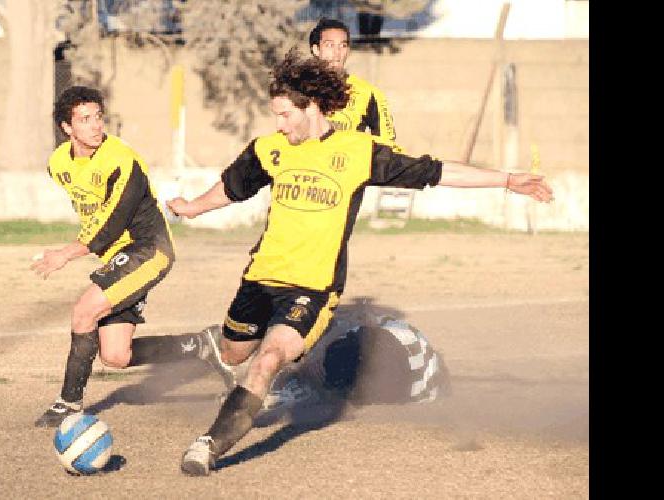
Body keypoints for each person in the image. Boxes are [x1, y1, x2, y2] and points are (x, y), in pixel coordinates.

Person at [166, 49, 553, 476]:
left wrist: (506, 179)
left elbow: (436, 171)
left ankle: (207, 446)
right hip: (259, 279)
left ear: (311, 107)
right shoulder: (270, 149)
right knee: (234, 353)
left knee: (268, 360)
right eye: (274, 115)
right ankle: (220, 346)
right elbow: (231, 187)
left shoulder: (358, 151)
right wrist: (193, 208)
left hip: (312, 288)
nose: (278, 124)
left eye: (284, 114)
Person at [31, 86, 235, 428]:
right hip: (117, 258)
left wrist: (65, 254)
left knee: (84, 312)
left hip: (147, 249)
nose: (96, 125)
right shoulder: (57, 165)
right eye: (85, 119)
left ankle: (68, 403)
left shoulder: (122, 160)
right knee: (115, 356)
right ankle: (203, 345)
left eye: (98, 117)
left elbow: (110, 225)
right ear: (67, 128)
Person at [252, 299, 451, 426]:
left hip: (397, 363)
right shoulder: (395, 344)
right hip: (404, 366)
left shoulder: (344, 345)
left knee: (326, 372)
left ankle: (324, 384)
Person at [310, 18, 395, 142]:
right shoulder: (299, 88)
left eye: (343, 46)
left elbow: (387, 145)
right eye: (330, 45)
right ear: (316, 49)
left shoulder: (367, 93)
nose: (337, 52)